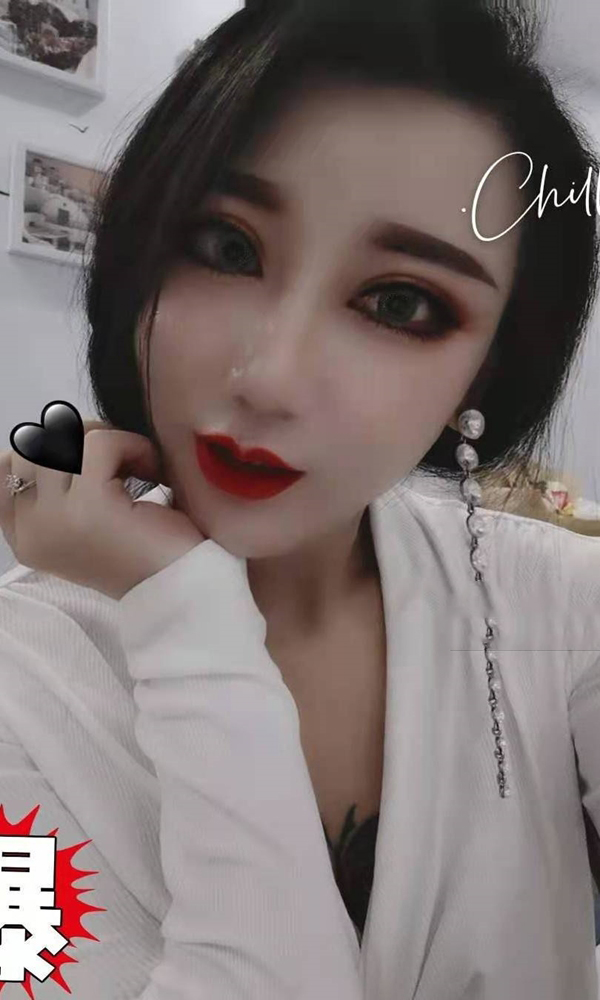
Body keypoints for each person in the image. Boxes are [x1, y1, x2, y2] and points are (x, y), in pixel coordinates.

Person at [0, 0, 599, 997]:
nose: (271, 377)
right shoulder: (19, 679)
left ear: (489, 371)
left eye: (400, 303)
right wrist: (186, 614)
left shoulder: (563, 609)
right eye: (226, 247)